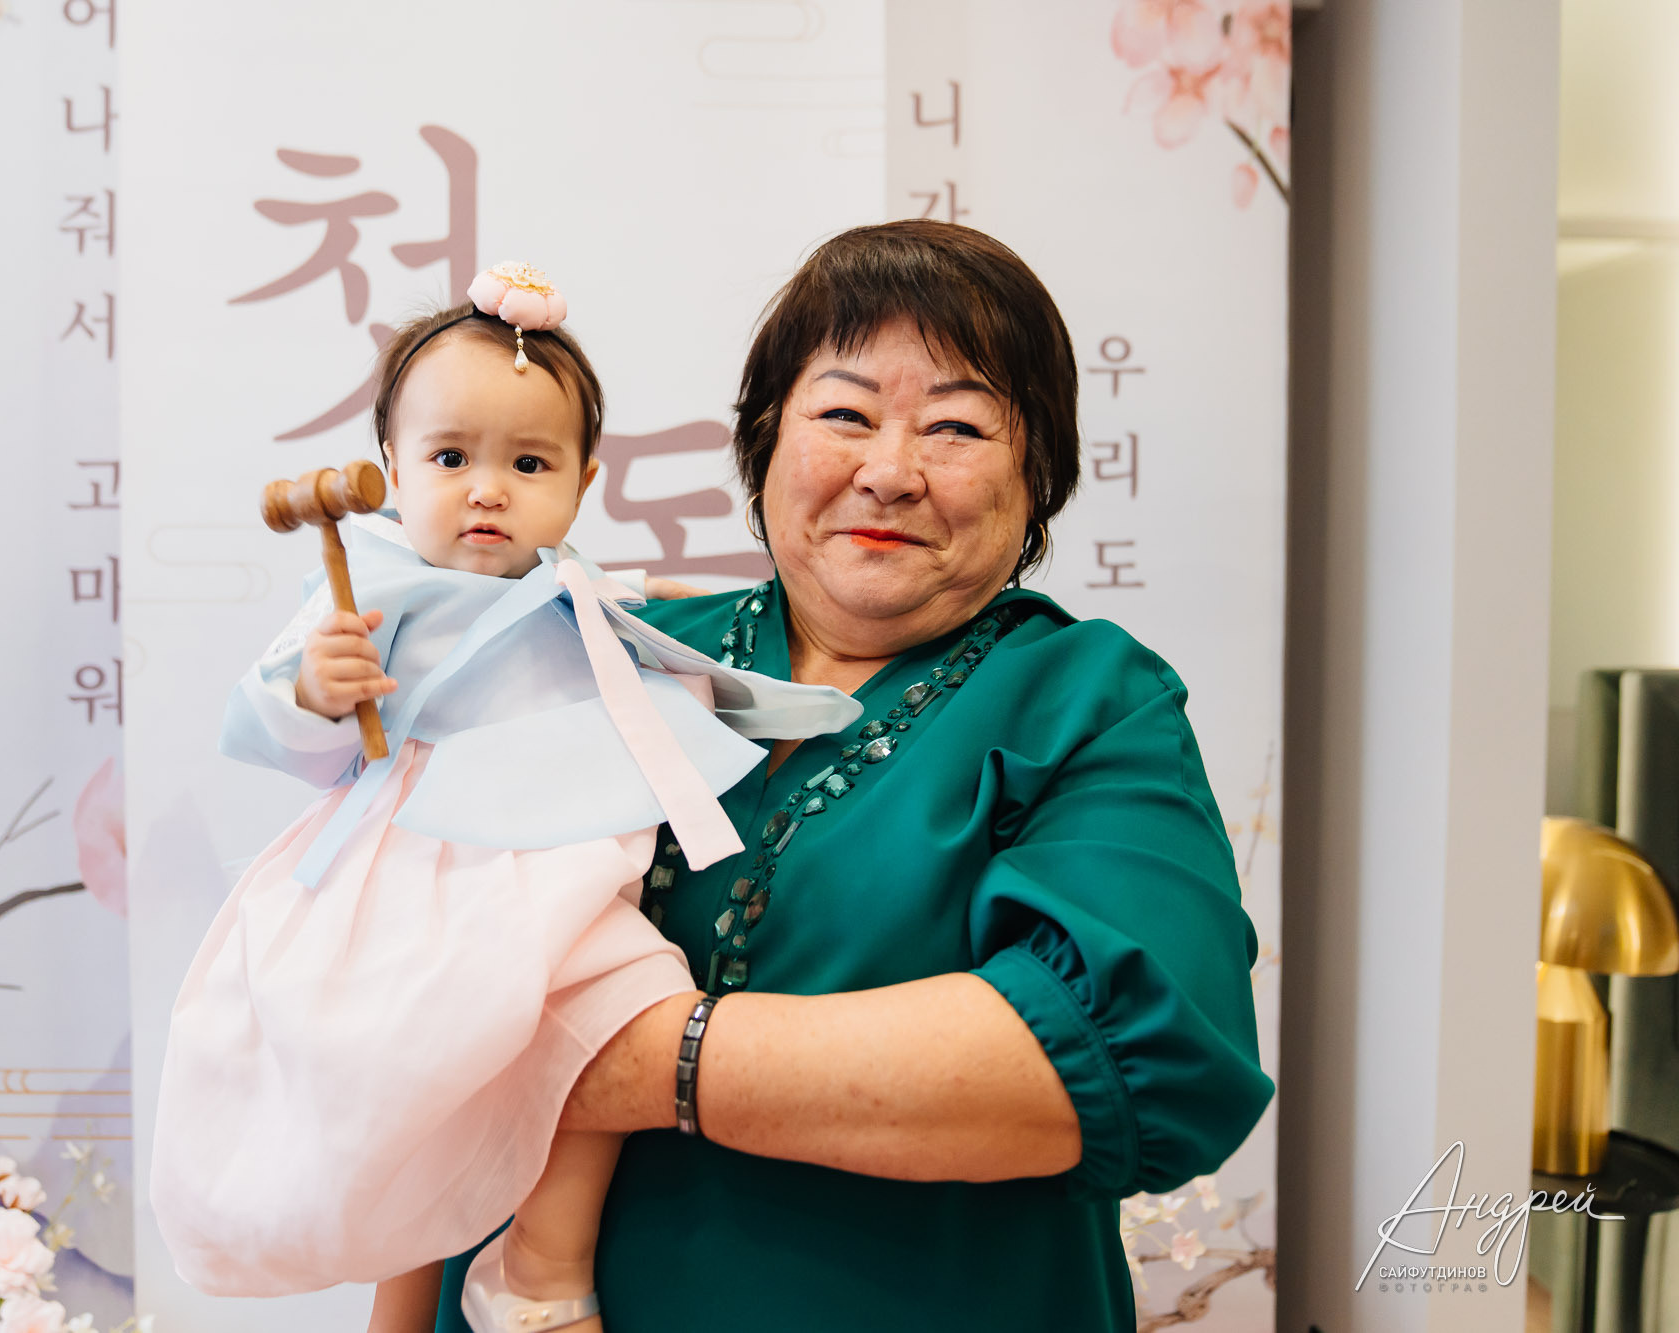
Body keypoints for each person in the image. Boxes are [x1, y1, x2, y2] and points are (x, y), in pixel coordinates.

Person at [424, 220, 1277, 1332]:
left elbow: (1127, 1055)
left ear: (1038, 479)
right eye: (842, 412)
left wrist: (647, 1063)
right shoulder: (603, 650)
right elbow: (417, 992)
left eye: (959, 426)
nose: (888, 469)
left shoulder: (1087, 699)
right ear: (764, 442)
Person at [147, 263, 861, 1333]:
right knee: (446, 1062)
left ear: (579, 482)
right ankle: (435, 1272)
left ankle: (542, 1258)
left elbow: (639, 628)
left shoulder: (567, 587)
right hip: (422, 871)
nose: (487, 489)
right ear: (390, 466)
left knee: (631, 1011)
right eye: (449, 458)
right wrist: (314, 688)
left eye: (528, 462)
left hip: (553, 862)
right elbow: (269, 724)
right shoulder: (368, 590)